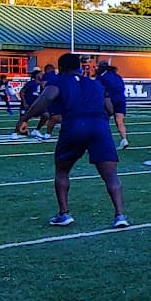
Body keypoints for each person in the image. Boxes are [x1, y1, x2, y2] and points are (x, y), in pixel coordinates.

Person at [20, 52, 129, 227]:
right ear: (79, 67)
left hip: (74, 126)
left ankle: (64, 213)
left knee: (62, 170)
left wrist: (24, 118)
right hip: (99, 126)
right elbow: (108, 107)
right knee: (110, 174)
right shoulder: (96, 83)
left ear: (61, 68)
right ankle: (120, 215)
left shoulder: (59, 81)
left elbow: (46, 98)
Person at [97, 62, 131, 150]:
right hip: (121, 99)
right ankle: (124, 139)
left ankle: (103, 141)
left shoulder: (102, 77)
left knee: (103, 120)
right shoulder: (118, 76)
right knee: (119, 121)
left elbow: (100, 90)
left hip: (109, 99)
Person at [13, 69, 44, 140]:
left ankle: (36, 130)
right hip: (28, 105)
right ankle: (15, 133)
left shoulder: (42, 84)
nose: (42, 75)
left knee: (46, 115)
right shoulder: (31, 83)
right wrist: (24, 103)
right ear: (36, 75)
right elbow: (22, 92)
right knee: (23, 119)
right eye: (40, 74)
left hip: (36, 106)